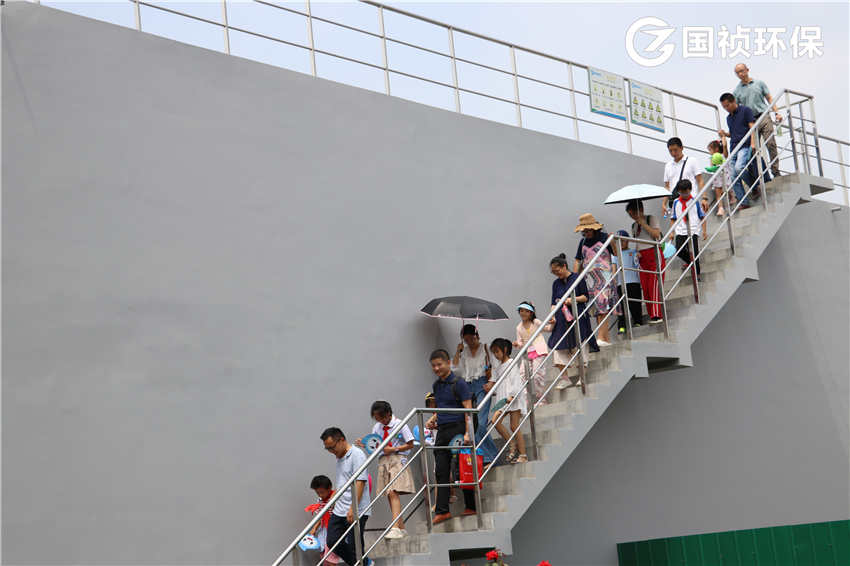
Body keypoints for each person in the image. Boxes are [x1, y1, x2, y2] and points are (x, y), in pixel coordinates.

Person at [425, 349, 476, 525]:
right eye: (433, 366)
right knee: (441, 470)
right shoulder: (436, 385)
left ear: (448, 363)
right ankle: (442, 511)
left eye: (439, 364)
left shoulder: (459, 383)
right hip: (442, 431)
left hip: (458, 429)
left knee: (460, 469)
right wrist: (433, 420)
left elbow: (468, 410)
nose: (436, 368)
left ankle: (472, 505)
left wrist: (467, 433)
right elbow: (441, 408)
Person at [355, 400, 414, 540]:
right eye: (377, 418)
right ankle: (401, 528)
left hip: (397, 459)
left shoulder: (400, 424)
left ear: (389, 413)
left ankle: (395, 528)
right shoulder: (377, 427)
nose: (380, 420)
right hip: (383, 461)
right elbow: (376, 447)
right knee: (389, 494)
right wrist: (366, 445)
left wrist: (394, 449)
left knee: (393, 492)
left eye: (382, 417)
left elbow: (410, 444)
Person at [321, 428, 373, 566]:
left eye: (332, 447)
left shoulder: (357, 455)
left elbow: (360, 482)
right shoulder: (338, 458)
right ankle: (365, 563)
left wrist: (352, 508)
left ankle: (361, 562)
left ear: (342, 440)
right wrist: (335, 496)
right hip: (340, 509)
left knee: (354, 548)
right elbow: (343, 481)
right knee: (333, 542)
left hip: (356, 509)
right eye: (328, 449)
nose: (331, 451)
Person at [549, 253, 599, 388]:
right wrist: (552, 315)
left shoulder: (577, 278)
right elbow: (553, 302)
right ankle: (565, 378)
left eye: (557, 270)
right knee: (558, 347)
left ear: (564, 266)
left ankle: (582, 377)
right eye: (553, 272)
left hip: (577, 316)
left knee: (579, 344)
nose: (556, 274)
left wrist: (573, 300)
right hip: (561, 319)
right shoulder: (556, 284)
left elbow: (586, 297)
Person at [450, 324, 497, 468]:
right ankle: (487, 457)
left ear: (477, 335)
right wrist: (458, 351)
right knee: (472, 424)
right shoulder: (463, 352)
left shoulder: (486, 348)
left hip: (482, 385)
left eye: (472, 339)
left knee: (480, 423)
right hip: (467, 387)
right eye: (466, 340)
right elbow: (455, 368)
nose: (470, 342)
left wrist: (492, 382)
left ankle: (490, 457)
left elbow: (496, 366)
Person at [573, 213, 621, 346]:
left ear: (594, 228)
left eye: (588, 230)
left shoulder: (605, 237)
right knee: (596, 309)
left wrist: (612, 243)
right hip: (590, 279)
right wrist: (574, 278)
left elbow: (616, 254)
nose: (586, 233)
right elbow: (578, 260)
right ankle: (606, 339)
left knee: (603, 305)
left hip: (605, 276)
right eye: (584, 231)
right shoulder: (583, 242)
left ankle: (600, 337)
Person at [732, 64, 782, 177]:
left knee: (771, 143)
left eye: (741, 71)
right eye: (737, 73)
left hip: (764, 116)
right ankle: (759, 174)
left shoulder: (759, 83)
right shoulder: (736, 90)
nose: (740, 74)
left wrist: (776, 112)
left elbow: (769, 98)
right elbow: (736, 109)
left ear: (747, 70)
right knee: (752, 149)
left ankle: (775, 170)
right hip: (750, 121)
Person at [489, 338, 528, 464]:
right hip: (503, 400)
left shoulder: (512, 362)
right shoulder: (498, 367)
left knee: (514, 426)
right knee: (495, 421)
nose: (495, 354)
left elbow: (516, 381)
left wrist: (512, 396)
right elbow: (500, 383)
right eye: (494, 352)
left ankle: (523, 455)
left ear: (505, 349)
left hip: (513, 398)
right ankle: (512, 444)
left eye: (497, 351)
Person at [626, 200, 665, 324]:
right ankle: (651, 314)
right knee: (645, 287)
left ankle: (657, 315)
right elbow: (638, 241)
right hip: (642, 257)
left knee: (653, 285)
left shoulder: (650, 219)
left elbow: (656, 234)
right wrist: (637, 253)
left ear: (640, 210)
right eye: (630, 214)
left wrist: (643, 223)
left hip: (653, 253)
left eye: (634, 213)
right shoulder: (634, 226)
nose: (633, 216)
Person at [719, 92, 757, 210]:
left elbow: (752, 127)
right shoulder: (729, 118)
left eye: (727, 105)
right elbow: (734, 133)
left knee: (739, 168)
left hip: (745, 145)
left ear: (734, 101)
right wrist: (725, 134)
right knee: (733, 176)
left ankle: (754, 187)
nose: (726, 108)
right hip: (734, 147)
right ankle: (743, 202)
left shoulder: (745, 110)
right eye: (724, 107)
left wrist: (753, 142)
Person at [512, 301, 553, 406]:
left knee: (537, 374)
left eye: (527, 311)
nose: (523, 313)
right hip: (527, 354)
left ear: (531, 313)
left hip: (540, 351)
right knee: (522, 374)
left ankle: (542, 399)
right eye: (521, 311)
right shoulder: (519, 327)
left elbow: (548, 329)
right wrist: (517, 344)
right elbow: (521, 343)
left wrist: (553, 323)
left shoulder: (536, 322)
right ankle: (525, 399)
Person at [670, 180, 708, 281]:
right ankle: (691, 262)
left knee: (694, 252)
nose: (684, 195)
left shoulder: (695, 201)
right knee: (679, 250)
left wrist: (704, 230)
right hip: (680, 231)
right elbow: (673, 218)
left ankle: (697, 274)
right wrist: (671, 232)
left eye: (686, 192)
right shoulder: (676, 202)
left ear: (690, 190)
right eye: (681, 193)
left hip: (693, 230)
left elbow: (702, 216)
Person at [662, 137, 706, 217]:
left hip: (691, 200)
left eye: (675, 150)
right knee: (678, 224)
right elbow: (667, 187)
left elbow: (700, 180)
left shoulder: (692, 161)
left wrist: (704, 198)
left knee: (694, 222)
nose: (673, 153)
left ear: (682, 148)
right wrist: (664, 203)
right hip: (676, 203)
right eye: (670, 150)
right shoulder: (668, 166)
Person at [612, 230, 643, 334]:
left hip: (633, 281)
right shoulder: (615, 254)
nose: (620, 243)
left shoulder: (633, 251)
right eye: (617, 241)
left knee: (635, 303)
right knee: (621, 305)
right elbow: (614, 266)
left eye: (623, 240)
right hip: (620, 283)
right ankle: (622, 326)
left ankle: (638, 321)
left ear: (628, 240)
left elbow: (638, 258)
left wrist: (638, 254)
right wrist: (614, 278)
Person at [306, 475, 341, 565]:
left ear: (329, 488)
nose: (320, 495)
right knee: (322, 553)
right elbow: (320, 516)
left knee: (331, 552)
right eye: (318, 493)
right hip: (323, 529)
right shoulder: (320, 500)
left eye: (322, 492)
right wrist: (314, 528)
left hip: (333, 528)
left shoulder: (335, 497)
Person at [705, 138, 735, 217]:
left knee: (724, 189)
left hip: (725, 175)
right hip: (717, 177)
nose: (709, 153)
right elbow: (712, 167)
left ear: (716, 149)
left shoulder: (723, 155)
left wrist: (723, 136)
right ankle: (721, 209)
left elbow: (724, 145)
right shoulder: (712, 159)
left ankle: (731, 198)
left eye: (710, 150)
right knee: (718, 192)